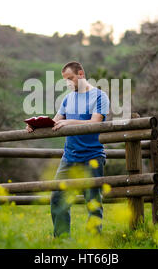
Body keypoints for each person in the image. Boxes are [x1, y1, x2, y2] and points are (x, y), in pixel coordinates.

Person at [25, 61, 110, 238]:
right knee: (57, 197)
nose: (68, 83)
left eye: (70, 78)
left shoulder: (100, 96)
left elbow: (95, 122)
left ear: (81, 74)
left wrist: (69, 122)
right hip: (69, 157)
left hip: (92, 156)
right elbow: (56, 122)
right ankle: (63, 240)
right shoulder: (68, 98)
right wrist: (36, 126)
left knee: (92, 201)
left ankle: (94, 241)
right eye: (65, 80)